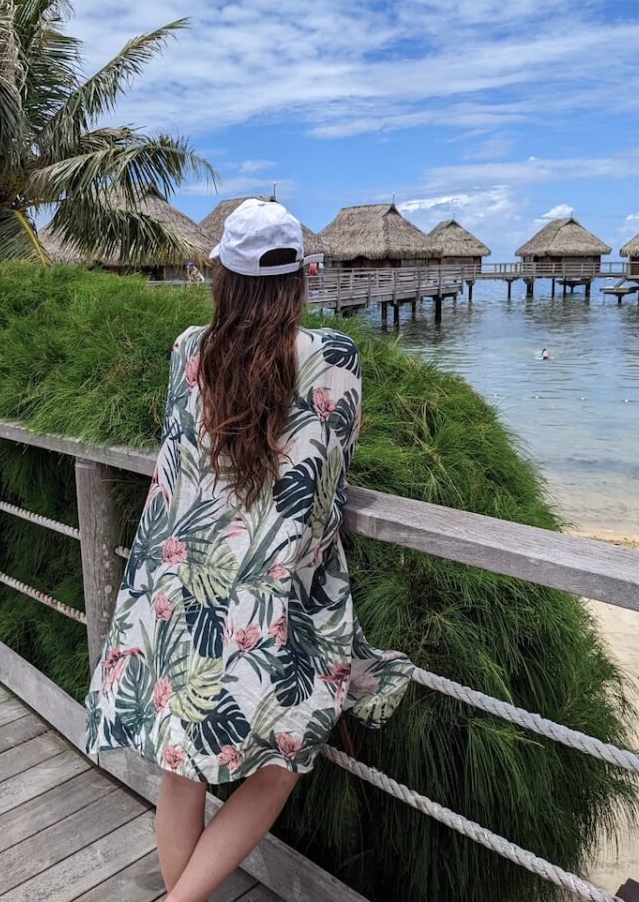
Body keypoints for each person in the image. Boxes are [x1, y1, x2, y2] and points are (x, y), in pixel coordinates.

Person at [84, 198, 413, 902]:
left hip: (179, 596)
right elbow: (323, 492)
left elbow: (180, 476)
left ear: (219, 278)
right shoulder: (334, 359)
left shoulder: (186, 351)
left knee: (184, 768)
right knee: (283, 758)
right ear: (303, 279)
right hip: (267, 604)